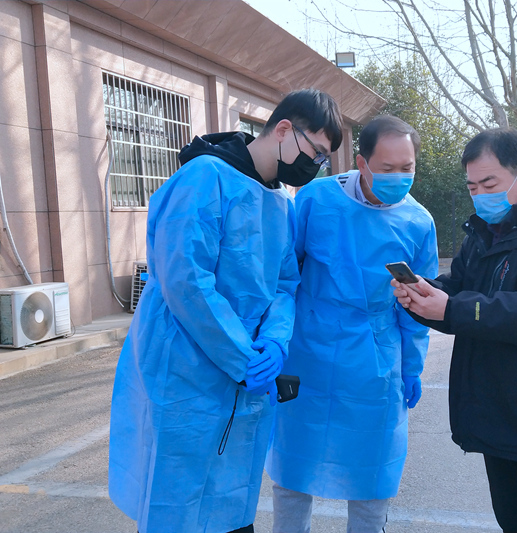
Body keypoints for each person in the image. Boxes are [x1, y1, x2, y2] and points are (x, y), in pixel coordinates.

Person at [108, 88, 343, 533]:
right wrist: (242, 356)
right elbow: (186, 282)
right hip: (186, 365)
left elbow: (284, 284)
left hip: (246, 370)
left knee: (232, 497)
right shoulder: (205, 177)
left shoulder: (279, 201)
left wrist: (274, 340)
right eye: (315, 151)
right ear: (284, 129)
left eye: (323, 159)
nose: (315, 165)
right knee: (176, 499)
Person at [392, 128, 517, 533]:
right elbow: (459, 290)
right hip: (498, 414)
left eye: (489, 184)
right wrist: (423, 296)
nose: (480, 195)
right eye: (472, 187)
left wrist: (451, 307)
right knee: (513, 522)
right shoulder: (484, 232)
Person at [266, 115, 439, 533]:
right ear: (362, 163)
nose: (399, 177)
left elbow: (417, 306)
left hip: (374, 357)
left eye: (407, 168)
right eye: (387, 168)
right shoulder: (317, 198)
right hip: (307, 347)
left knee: (372, 473)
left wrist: (412, 367)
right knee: (293, 467)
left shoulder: (418, 223)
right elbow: (285, 273)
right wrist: (273, 336)